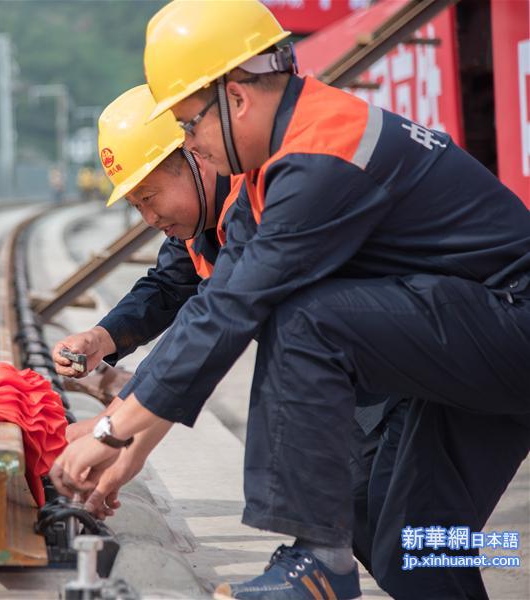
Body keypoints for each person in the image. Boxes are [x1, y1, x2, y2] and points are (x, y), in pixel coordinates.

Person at [49, 2, 530, 599]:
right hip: (464, 339)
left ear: (237, 99)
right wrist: (126, 443)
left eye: (189, 125)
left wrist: (111, 432)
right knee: (408, 543)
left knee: (308, 322)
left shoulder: (318, 156)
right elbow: (219, 299)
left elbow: (236, 306)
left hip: (509, 319)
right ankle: (337, 553)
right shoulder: (271, 170)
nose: (192, 143)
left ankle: (316, 561)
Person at [52, 84, 247, 518]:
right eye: (137, 205)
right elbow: (169, 286)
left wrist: (114, 427)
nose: (149, 218)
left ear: (195, 157)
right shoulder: (199, 218)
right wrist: (101, 339)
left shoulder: (248, 205)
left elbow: (210, 325)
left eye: (149, 196)